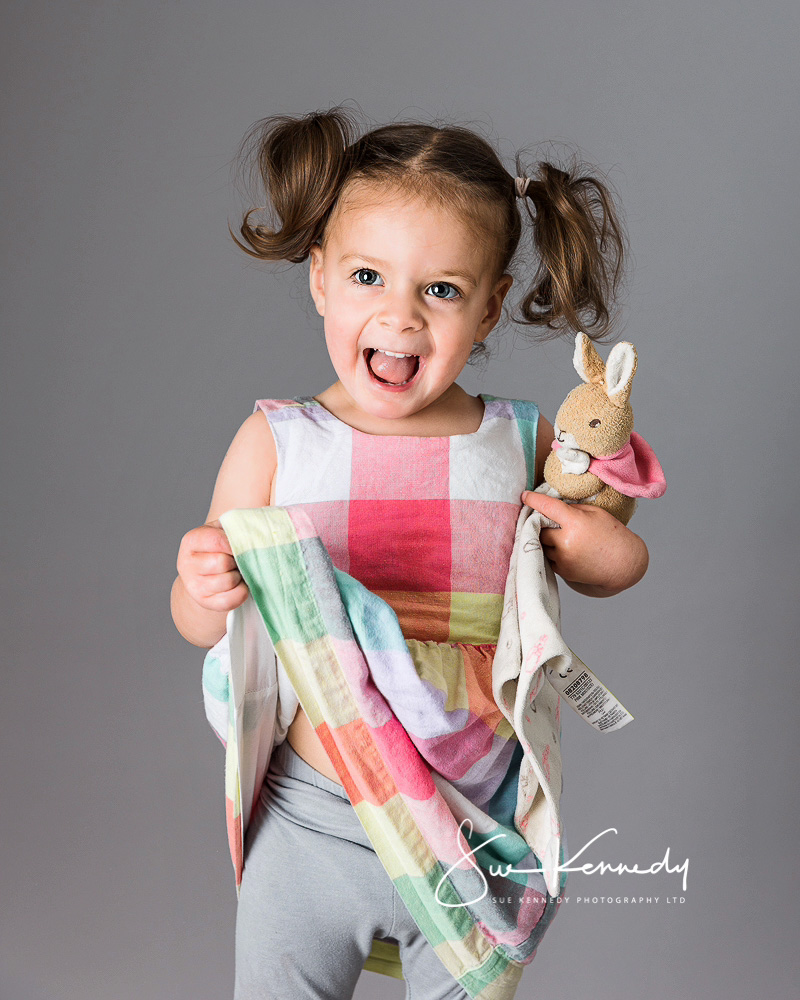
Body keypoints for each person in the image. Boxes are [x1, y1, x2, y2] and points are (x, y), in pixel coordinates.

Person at [171, 106, 650, 1000]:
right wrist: (204, 580)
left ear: (492, 306)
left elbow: (616, 567)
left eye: (440, 291)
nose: (400, 316)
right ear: (319, 281)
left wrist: (594, 542)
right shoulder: (278, 441)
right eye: (366, 276)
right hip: (314, 812)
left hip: (475, 822)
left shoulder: (518, 440)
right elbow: (203, 619)